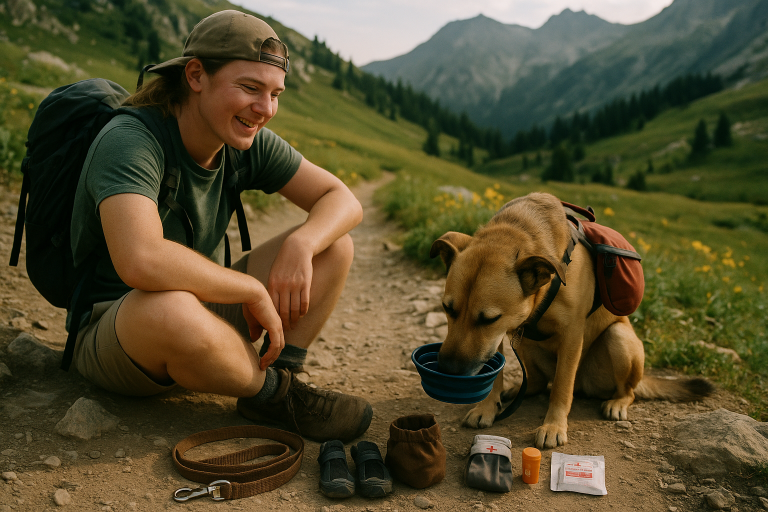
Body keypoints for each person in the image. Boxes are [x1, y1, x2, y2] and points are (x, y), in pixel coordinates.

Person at [68, 10, 371, 442]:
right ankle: (274, 395)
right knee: (170, 307)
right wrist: (248, 288)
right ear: (195, 75)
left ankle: (278, 379)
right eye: (249, 88)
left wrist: (302, 243)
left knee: (332, 245)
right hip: (116, 330)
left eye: (275, 93)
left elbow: (341, 200)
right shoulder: (131, 140)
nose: (265, 109)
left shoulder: (240, 137)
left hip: (200, 306)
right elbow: (141, 259)